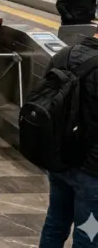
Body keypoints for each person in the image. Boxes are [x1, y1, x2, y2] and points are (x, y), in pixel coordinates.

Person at [38, 28, 98, 248]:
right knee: (89, 235)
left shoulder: (64, 55)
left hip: (60, 158)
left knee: (55, 223)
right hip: (92, 169)